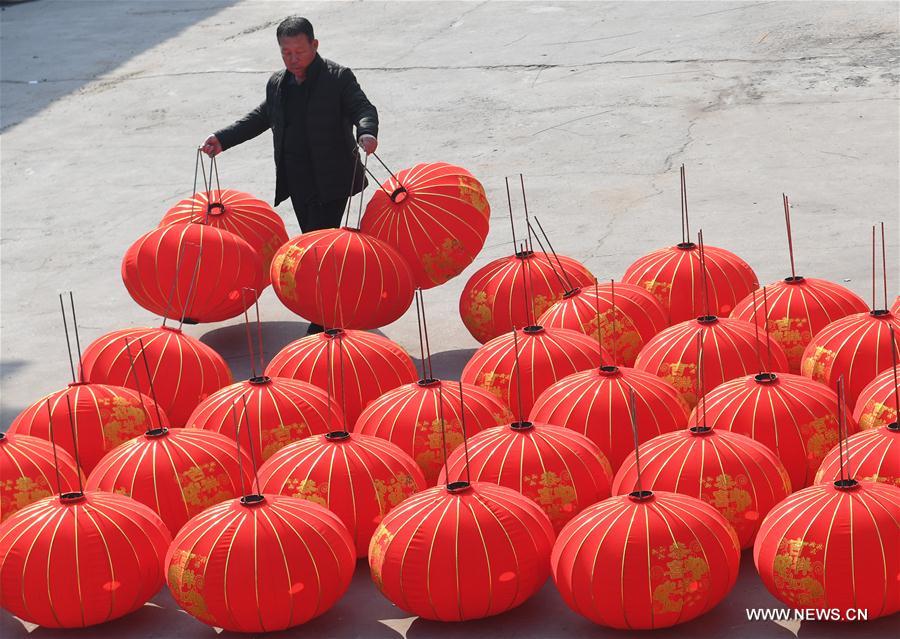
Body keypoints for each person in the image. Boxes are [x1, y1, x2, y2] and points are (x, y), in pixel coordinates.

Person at [201, 16, 378, 335]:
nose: (293, 59)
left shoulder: (338, 78)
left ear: (314, 45)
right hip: (298, 179)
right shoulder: (278, 84)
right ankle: (327, 308)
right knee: (315, 244)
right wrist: (222, 138)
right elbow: (260, 118)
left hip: (333, 177)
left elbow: (362, 108)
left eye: (299, 51)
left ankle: (326, 317)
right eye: (286, 53)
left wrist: (366, 132)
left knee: (317, 247)